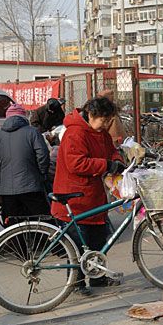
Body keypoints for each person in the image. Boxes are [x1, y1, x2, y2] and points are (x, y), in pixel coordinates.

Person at [51, 97, 126, 290]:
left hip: (94, 199)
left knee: (97, 242)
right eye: (104, 120)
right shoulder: (75, 133)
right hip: (76, 199)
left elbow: (112, 151)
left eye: (109, 121)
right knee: (77, 247)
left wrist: (117, 160)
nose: (106, 125)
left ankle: (97, 278)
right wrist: (105, 165)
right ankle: (76, 284)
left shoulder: (101, 133)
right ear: (91, 115)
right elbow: (76, 163)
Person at [0, 104, 50, 224]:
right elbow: (43, 155)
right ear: (24, 117)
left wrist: (1, 176)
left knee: (12, 226)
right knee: (43, 223)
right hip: (32, 187)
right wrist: (40, 173)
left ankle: (16, 242)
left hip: (7, 191)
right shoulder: (33, 132)